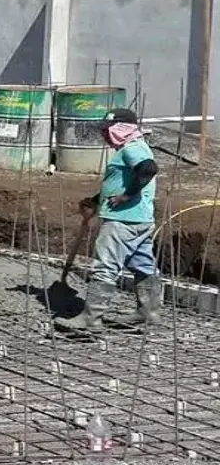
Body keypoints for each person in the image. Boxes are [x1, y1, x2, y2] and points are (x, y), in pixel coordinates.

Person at [55, 108, 160, 333]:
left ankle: (91, 319)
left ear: (122, 128)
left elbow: (148, 169)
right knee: (143, 265)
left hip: (122, 220)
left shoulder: (131, 149)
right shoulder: (135, 147)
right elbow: (124, 180)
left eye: (107, 130)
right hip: (139, 219)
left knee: (105, 267)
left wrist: (125, 197)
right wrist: (96, 200)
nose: (104, 135)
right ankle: (148, 312)